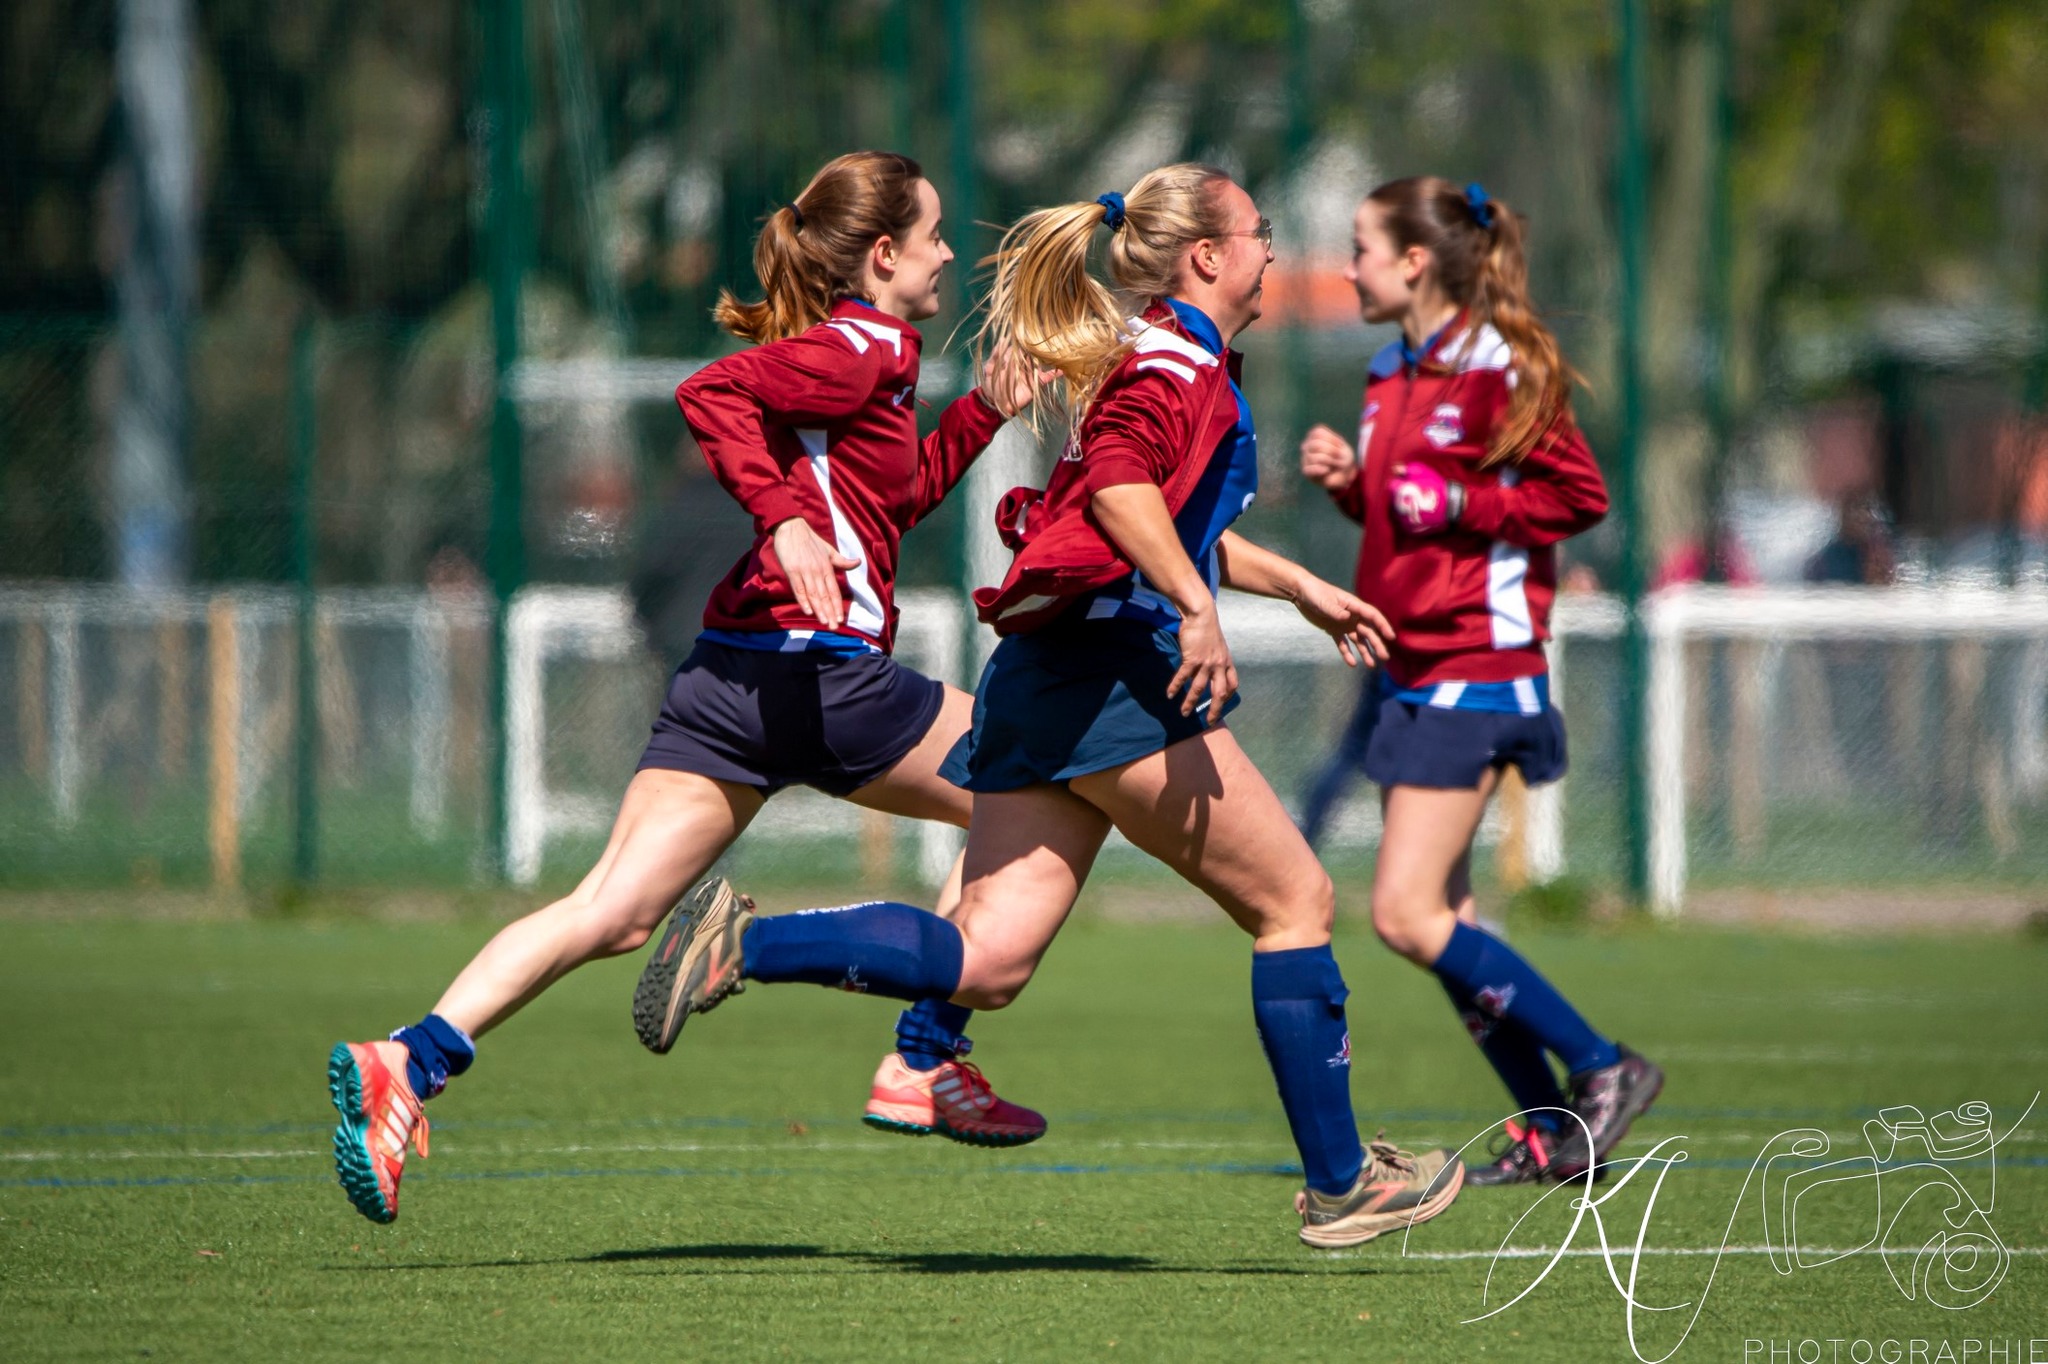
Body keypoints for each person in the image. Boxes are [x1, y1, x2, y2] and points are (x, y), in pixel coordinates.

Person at [633, 163, 1468, 1250]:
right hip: (1108, 675)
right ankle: (1341, 1181)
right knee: (1295, 901)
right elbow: (1121, 492)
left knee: (989, 961)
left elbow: (1148, 513)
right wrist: (1193, 608)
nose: (1271, 244)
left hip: (1042, 670)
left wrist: (1296, 587)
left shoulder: (1164, 353)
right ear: (1207, 256)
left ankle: (746, 943)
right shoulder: (1175, 368)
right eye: (1258, 229)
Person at [327, 150, 1046, 1226]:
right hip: (822, 678)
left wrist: (981, 412)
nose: (950, 252)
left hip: (733, 676)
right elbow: (706, 392)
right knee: (1037, 786)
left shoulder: (866, 359)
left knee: (610, 910)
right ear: (884, 254)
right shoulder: (857, 348)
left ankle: (408, 1058)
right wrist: (784, 518)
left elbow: (883, 509)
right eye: (936, 234)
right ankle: (922, 1057)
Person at [1298, 177, 1663, 1186]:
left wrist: (1459, 491)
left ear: (1414, 260)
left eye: (1361, 246)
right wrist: (1349, 487)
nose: (1347, 266)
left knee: (1403, 914)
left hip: (1479, 661)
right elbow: (1405, 521)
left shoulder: (1496, 365)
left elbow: (1575, 494)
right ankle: (1551, 1126)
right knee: (1442, 926)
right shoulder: (1387, 370)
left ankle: (1602, 1064)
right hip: (1411, 663)